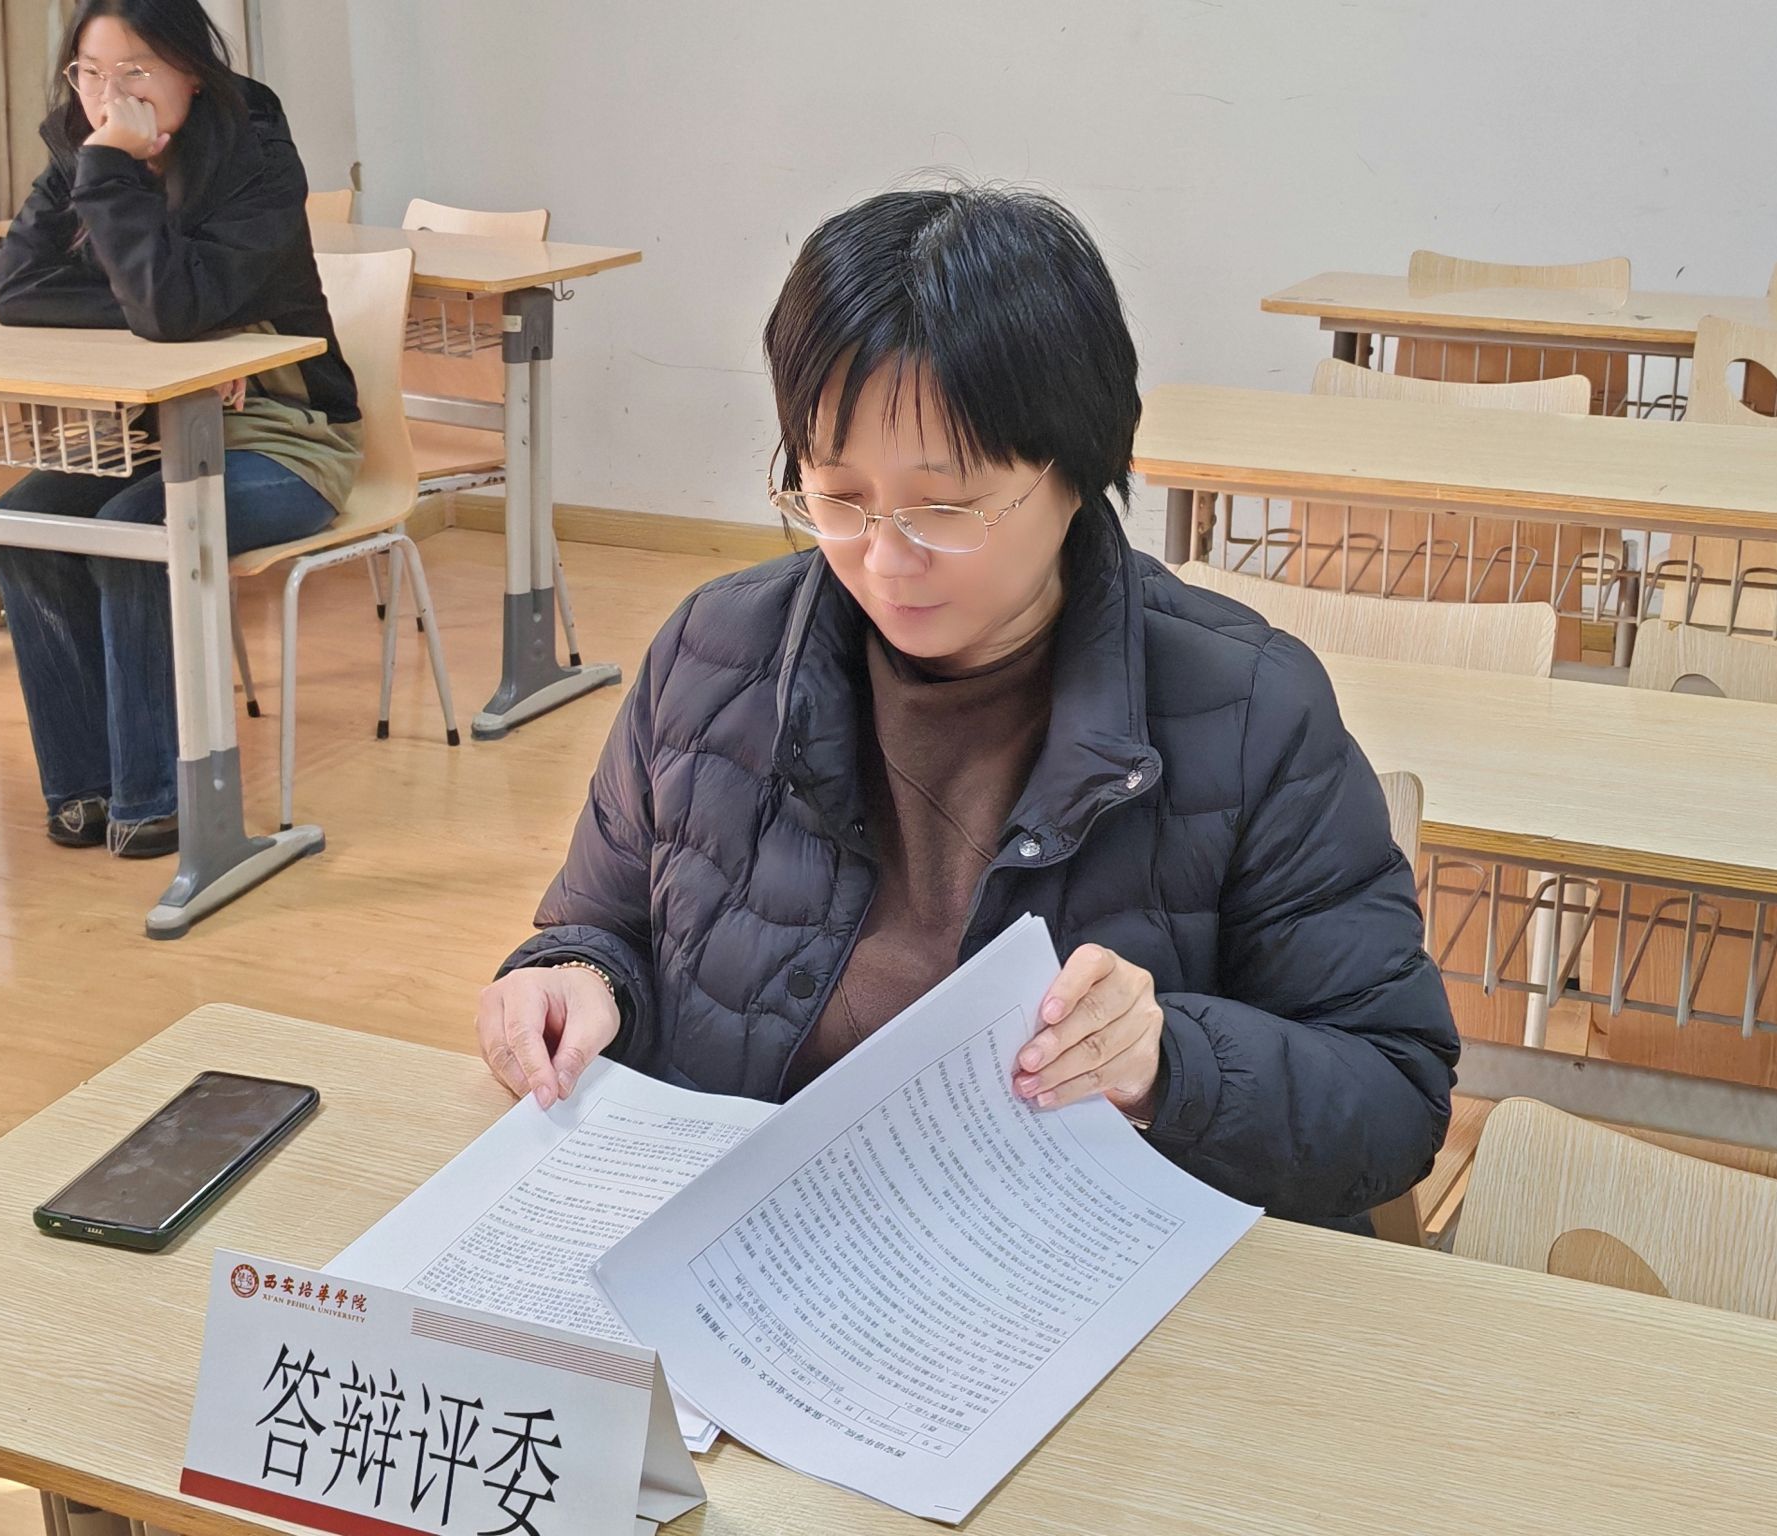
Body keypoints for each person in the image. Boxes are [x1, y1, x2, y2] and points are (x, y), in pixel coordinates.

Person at [475, 185, 1458, 1231]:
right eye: (837, 497)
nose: (884, 559)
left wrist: (1166, 1063)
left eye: (944, 508)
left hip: (1073, 1268)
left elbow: (1393, 1094)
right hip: (774, 1249)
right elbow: (599, 927)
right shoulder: (711, 656)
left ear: (1076, 469)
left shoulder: (1248, 709)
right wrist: (572, 983)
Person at [0, 0, 360, 858]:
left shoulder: (257, 159)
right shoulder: (85, 150)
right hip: (159, 434)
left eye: (133, 73)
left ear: (191, 71)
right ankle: (84, 787)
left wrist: (113, 181)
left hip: (287, 437)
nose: (108, 97)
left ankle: (156, 799)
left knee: (137, 533)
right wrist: (179, 318)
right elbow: (21, 292)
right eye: (89, 73)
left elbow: (170, 305)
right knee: (22, 525)